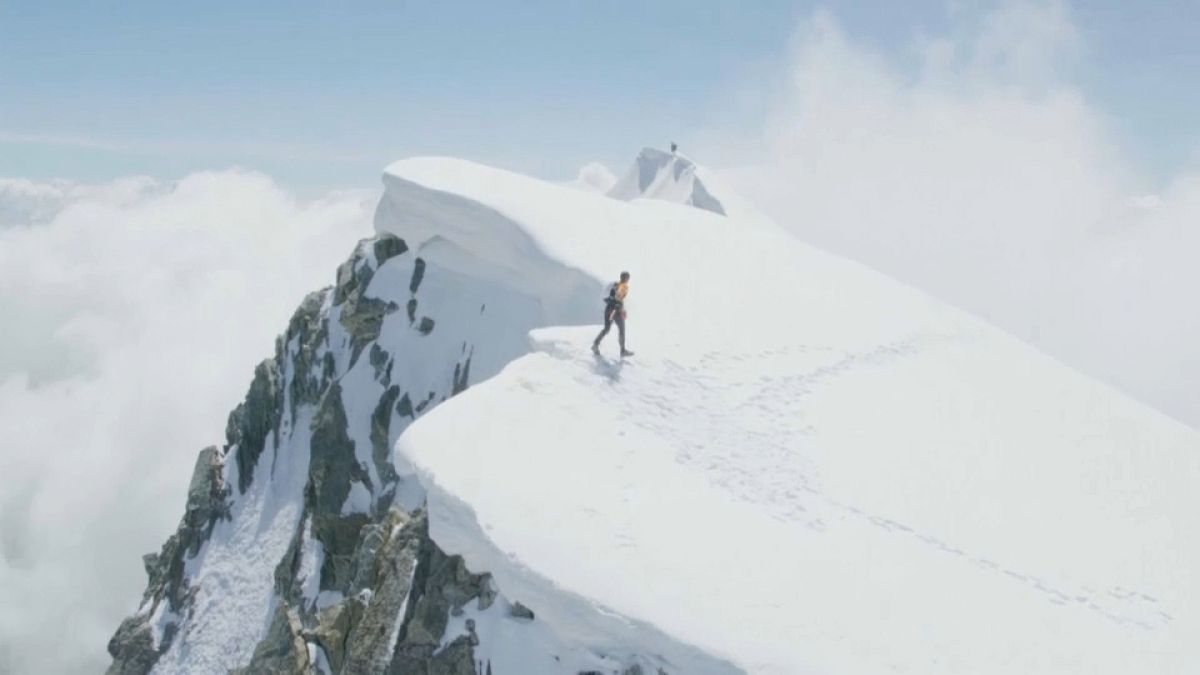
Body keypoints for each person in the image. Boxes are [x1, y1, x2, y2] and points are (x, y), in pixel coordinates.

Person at [592, 271, 633, 357]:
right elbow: (619, 299)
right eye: (628, 278)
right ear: (626, 278)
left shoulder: (614, 285)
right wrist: (621, 310)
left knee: (607, 328)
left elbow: (610, 297)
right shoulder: (623, 286)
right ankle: (622, 351)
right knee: (621, 328)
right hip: (615, 311)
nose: (628, 280)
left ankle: (595, 344)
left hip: (609, 309)